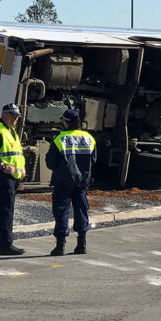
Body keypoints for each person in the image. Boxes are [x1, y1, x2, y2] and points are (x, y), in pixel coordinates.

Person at [45, 109, 97, 256]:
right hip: (82, 182)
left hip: (63, 182)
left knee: (62, 212)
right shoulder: (89, 138)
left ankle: (60, 246)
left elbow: (50, 163)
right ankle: (82, 244)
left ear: (67, 122)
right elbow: (93, 160)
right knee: (81, 210)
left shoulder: (59, 139)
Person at [0, 103, 26, 256]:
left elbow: (16, 154)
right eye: (12, 115)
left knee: (1, 211)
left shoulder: (11, 130)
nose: (16, 119)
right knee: (6, 211)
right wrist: (2, 166)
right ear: (3, 115)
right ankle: (6, 245)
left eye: (17, 116)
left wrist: (22, 169)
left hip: (11, 177)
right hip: (1, 177)